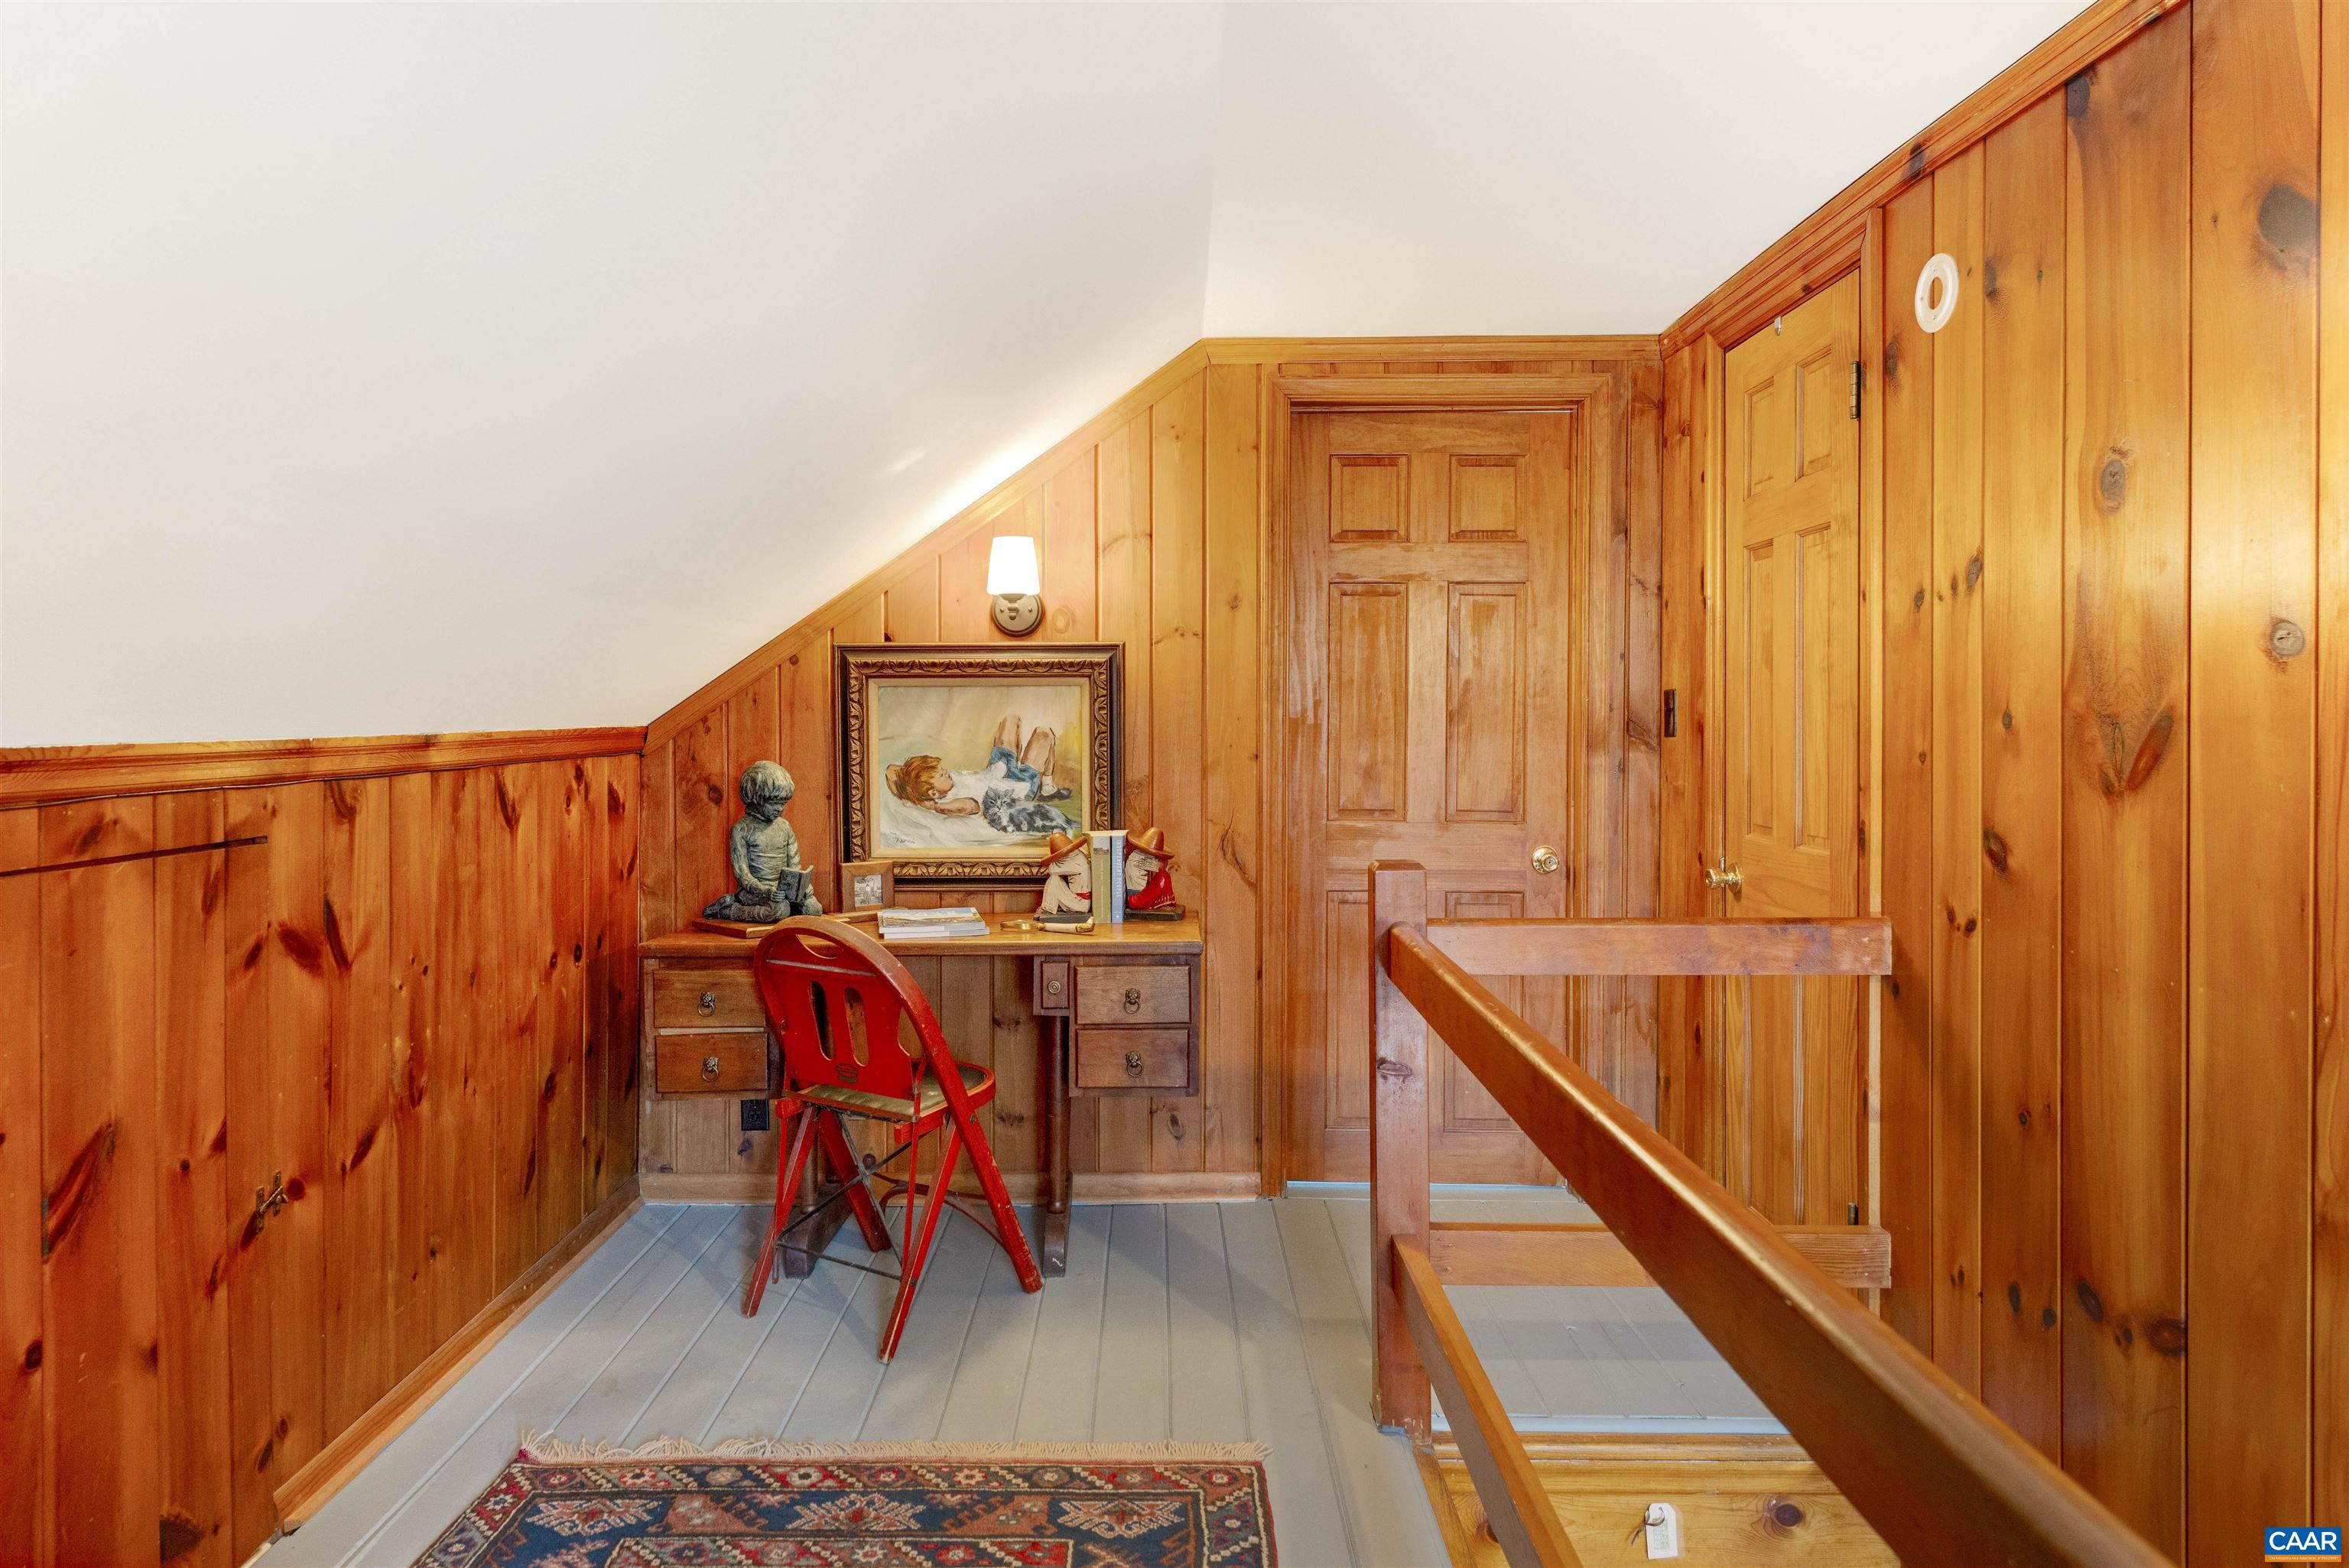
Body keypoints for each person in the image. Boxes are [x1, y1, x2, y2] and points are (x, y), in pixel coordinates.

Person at [885, 715, 1077, 836]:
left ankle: (1047, 785)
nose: (947, 772)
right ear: (934, 793)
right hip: (1018, 785)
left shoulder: (929, 785)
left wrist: (913, 793)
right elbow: (967, 807)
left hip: (997, 769)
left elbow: (891, 770)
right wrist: (937, 807)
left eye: (943, 770)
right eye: (942, 775)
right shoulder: (951, 800)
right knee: (1045, 735)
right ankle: (1047, 786)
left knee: (1011, 720)